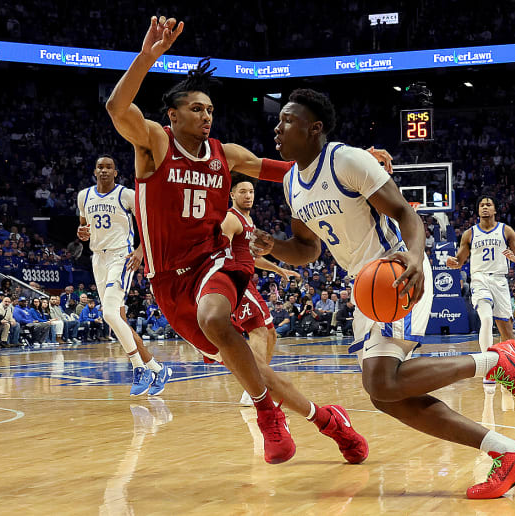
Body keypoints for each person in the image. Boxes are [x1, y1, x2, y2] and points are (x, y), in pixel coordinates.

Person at [251, 88, 515, 498]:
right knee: (386, 395)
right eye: (279, 120)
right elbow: (308, 249)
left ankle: (495, 360)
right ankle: (508, 452)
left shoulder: (347, 160)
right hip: (363, 284)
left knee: (381, 382)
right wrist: (272, 247)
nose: (278, 127)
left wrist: (414, 257)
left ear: (314, 128)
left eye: (288, 120)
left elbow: (407, 213)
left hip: (395, 270)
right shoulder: (290, 184)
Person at [106, 15, 369, 465]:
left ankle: (267, 414)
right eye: (196, 109)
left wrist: (356, 164)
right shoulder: (154, 143)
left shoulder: (225, 155)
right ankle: (328, 420)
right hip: (168, 281)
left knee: (216, 317)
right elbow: (117, 107)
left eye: (209, 110)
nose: (206, 115)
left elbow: (289, 169)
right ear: (173, 115)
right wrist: (148, 56)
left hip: (220, 257)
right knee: (251, 367)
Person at [77, 154, 171, 396]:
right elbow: (84, 227)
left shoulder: (126, 194)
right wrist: (82, 233)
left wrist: (140, 251)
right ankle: (158, 369)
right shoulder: (83, 196)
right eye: (100, 167)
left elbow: (148, 224)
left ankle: (140, 368)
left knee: (108, 312)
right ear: (94, 171)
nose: (105, 170)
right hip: (98, 258)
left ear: (116, 172)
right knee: (117, 320)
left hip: (123, 256)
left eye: (109, 167)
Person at [221, 175, 300, 405]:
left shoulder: (249, 221)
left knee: (271, 333)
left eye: (251, 192)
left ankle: (258, 385)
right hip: (235, 282)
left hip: (247, 282)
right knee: (258, 332)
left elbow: (252, 257)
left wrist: (279, 270)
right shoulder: (230, 219)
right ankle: (255, 388)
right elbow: (218, 252)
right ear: (232, 195)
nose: (248, 195)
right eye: (243, 191)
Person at [447, 195, 515, 409]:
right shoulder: (470, 233)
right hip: (480, 278)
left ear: (494, 209)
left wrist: (514, 258)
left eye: (488, 204)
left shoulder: (506, 230)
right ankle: (488, 368)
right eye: (481, 204)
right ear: (478, 209)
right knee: (486, 317)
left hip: (500, 280)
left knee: (507, 332)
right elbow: (459, 260)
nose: (484, 207)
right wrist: (452, 262)